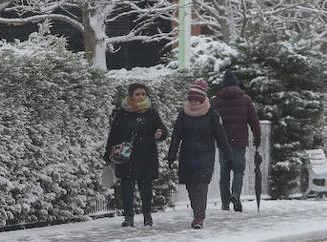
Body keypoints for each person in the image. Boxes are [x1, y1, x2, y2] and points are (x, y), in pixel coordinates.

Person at [168, 79, 233, 230]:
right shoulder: (183, 114)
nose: (193, 102)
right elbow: (176, 135)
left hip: (205, 155)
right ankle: (196, 210)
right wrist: (171, 154)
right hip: (187, 155)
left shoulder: (211, 114)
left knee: (201, 186)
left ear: (202, 99)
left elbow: (220, 135)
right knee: (191, 187)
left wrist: (228, 154)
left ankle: (199, 217)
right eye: (191, 99)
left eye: (196, 99)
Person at [105, 83, 168, 227]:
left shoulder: (151, 112)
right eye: (137, 94)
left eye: (143, 94)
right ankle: (128, 217)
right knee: (127, 187)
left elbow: (162, 130)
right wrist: (108, 153)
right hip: (127, 156)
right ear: (130, 96)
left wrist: (161, 134)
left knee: (146, 187)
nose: (140, 97)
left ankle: (147, 215)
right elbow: (113, 134)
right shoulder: (122, 113)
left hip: (147, 155)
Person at [212, 70, 260, 212]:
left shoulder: (216, 101)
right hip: (239, 141)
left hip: (223, 142)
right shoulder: (245, 100)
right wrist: (257, 137)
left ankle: (225, 203)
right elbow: (254, 121)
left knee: (224, 173)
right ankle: (235, 195)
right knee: (239, 170)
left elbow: (212, 121)